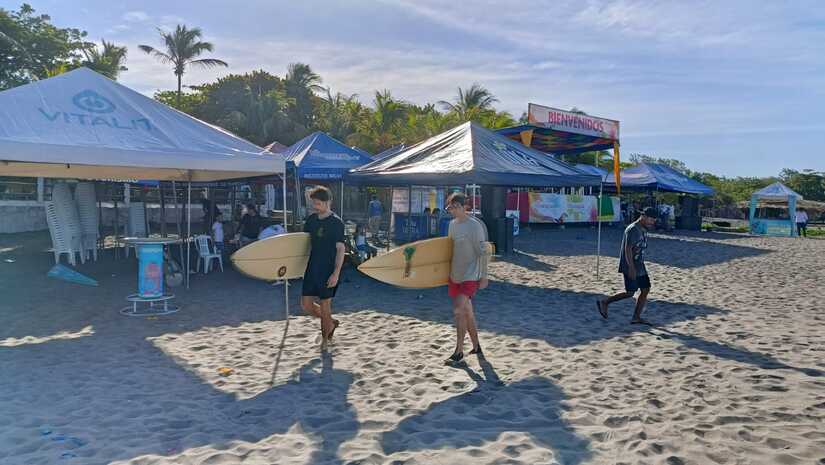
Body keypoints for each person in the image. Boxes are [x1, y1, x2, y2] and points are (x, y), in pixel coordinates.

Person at [444, 192, 489, 365]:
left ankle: (458, 352)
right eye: (450, 207)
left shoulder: (474, 226)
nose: (453, 210)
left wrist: (484, 276)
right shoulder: (452, 225)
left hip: (470, 274)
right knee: (467, 312)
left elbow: (483, 252)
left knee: (458, 310)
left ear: (465, 207)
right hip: (455, 275)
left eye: (456, 207)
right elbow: (449, 250)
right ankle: (476, 346)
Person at [300, 186, 346, 349]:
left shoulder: (336, 223)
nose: (315, 206)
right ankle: (331, 322)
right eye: (314, 203)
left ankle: (325, 340)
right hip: (312, 267)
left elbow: (341, 249)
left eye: (318, 203)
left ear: (328, 202)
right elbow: (302, 243)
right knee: (306, 305)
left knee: (325, 306)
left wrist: (336, 273)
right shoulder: (311, 220)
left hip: (328, 269)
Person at [596, 207, 657, 325]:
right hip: (631, 265)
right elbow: (627, 249)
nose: (652, 222)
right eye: (651, 219)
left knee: (645, 289)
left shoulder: (643, 228)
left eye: (654, 220)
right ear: (643, 216)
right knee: (630, 292)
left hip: (639, 264)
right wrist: (631, 267)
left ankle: (636, 317)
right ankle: (605, 302)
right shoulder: (633, 229)